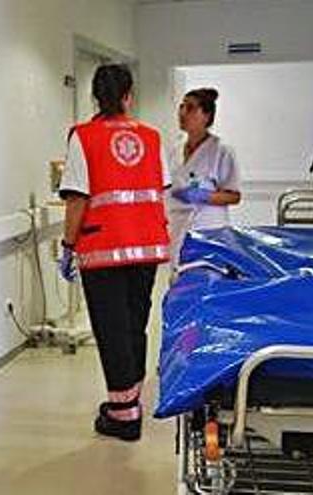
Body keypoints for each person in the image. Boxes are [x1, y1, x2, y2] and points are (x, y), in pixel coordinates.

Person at [56, 64, 171, 442]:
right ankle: (131, 397)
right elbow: (160, 187)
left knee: (111, 329)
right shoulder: (152, 138)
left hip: (104, 248)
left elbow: (77, 198)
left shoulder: (83, 137)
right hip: (147, 246)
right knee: (134, 323)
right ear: (128, 96)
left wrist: (68, 246)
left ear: (95, 96)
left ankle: (123, 415)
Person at [168, 88, 242, 266]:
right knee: (178, 279)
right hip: (178, 228)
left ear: (206, 116)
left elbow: (234, 195)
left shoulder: (221, 151)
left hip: (208, 230)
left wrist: (204, 196)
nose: (183, 113)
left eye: (191, 108)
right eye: (182, 107)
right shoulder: (175, 150)